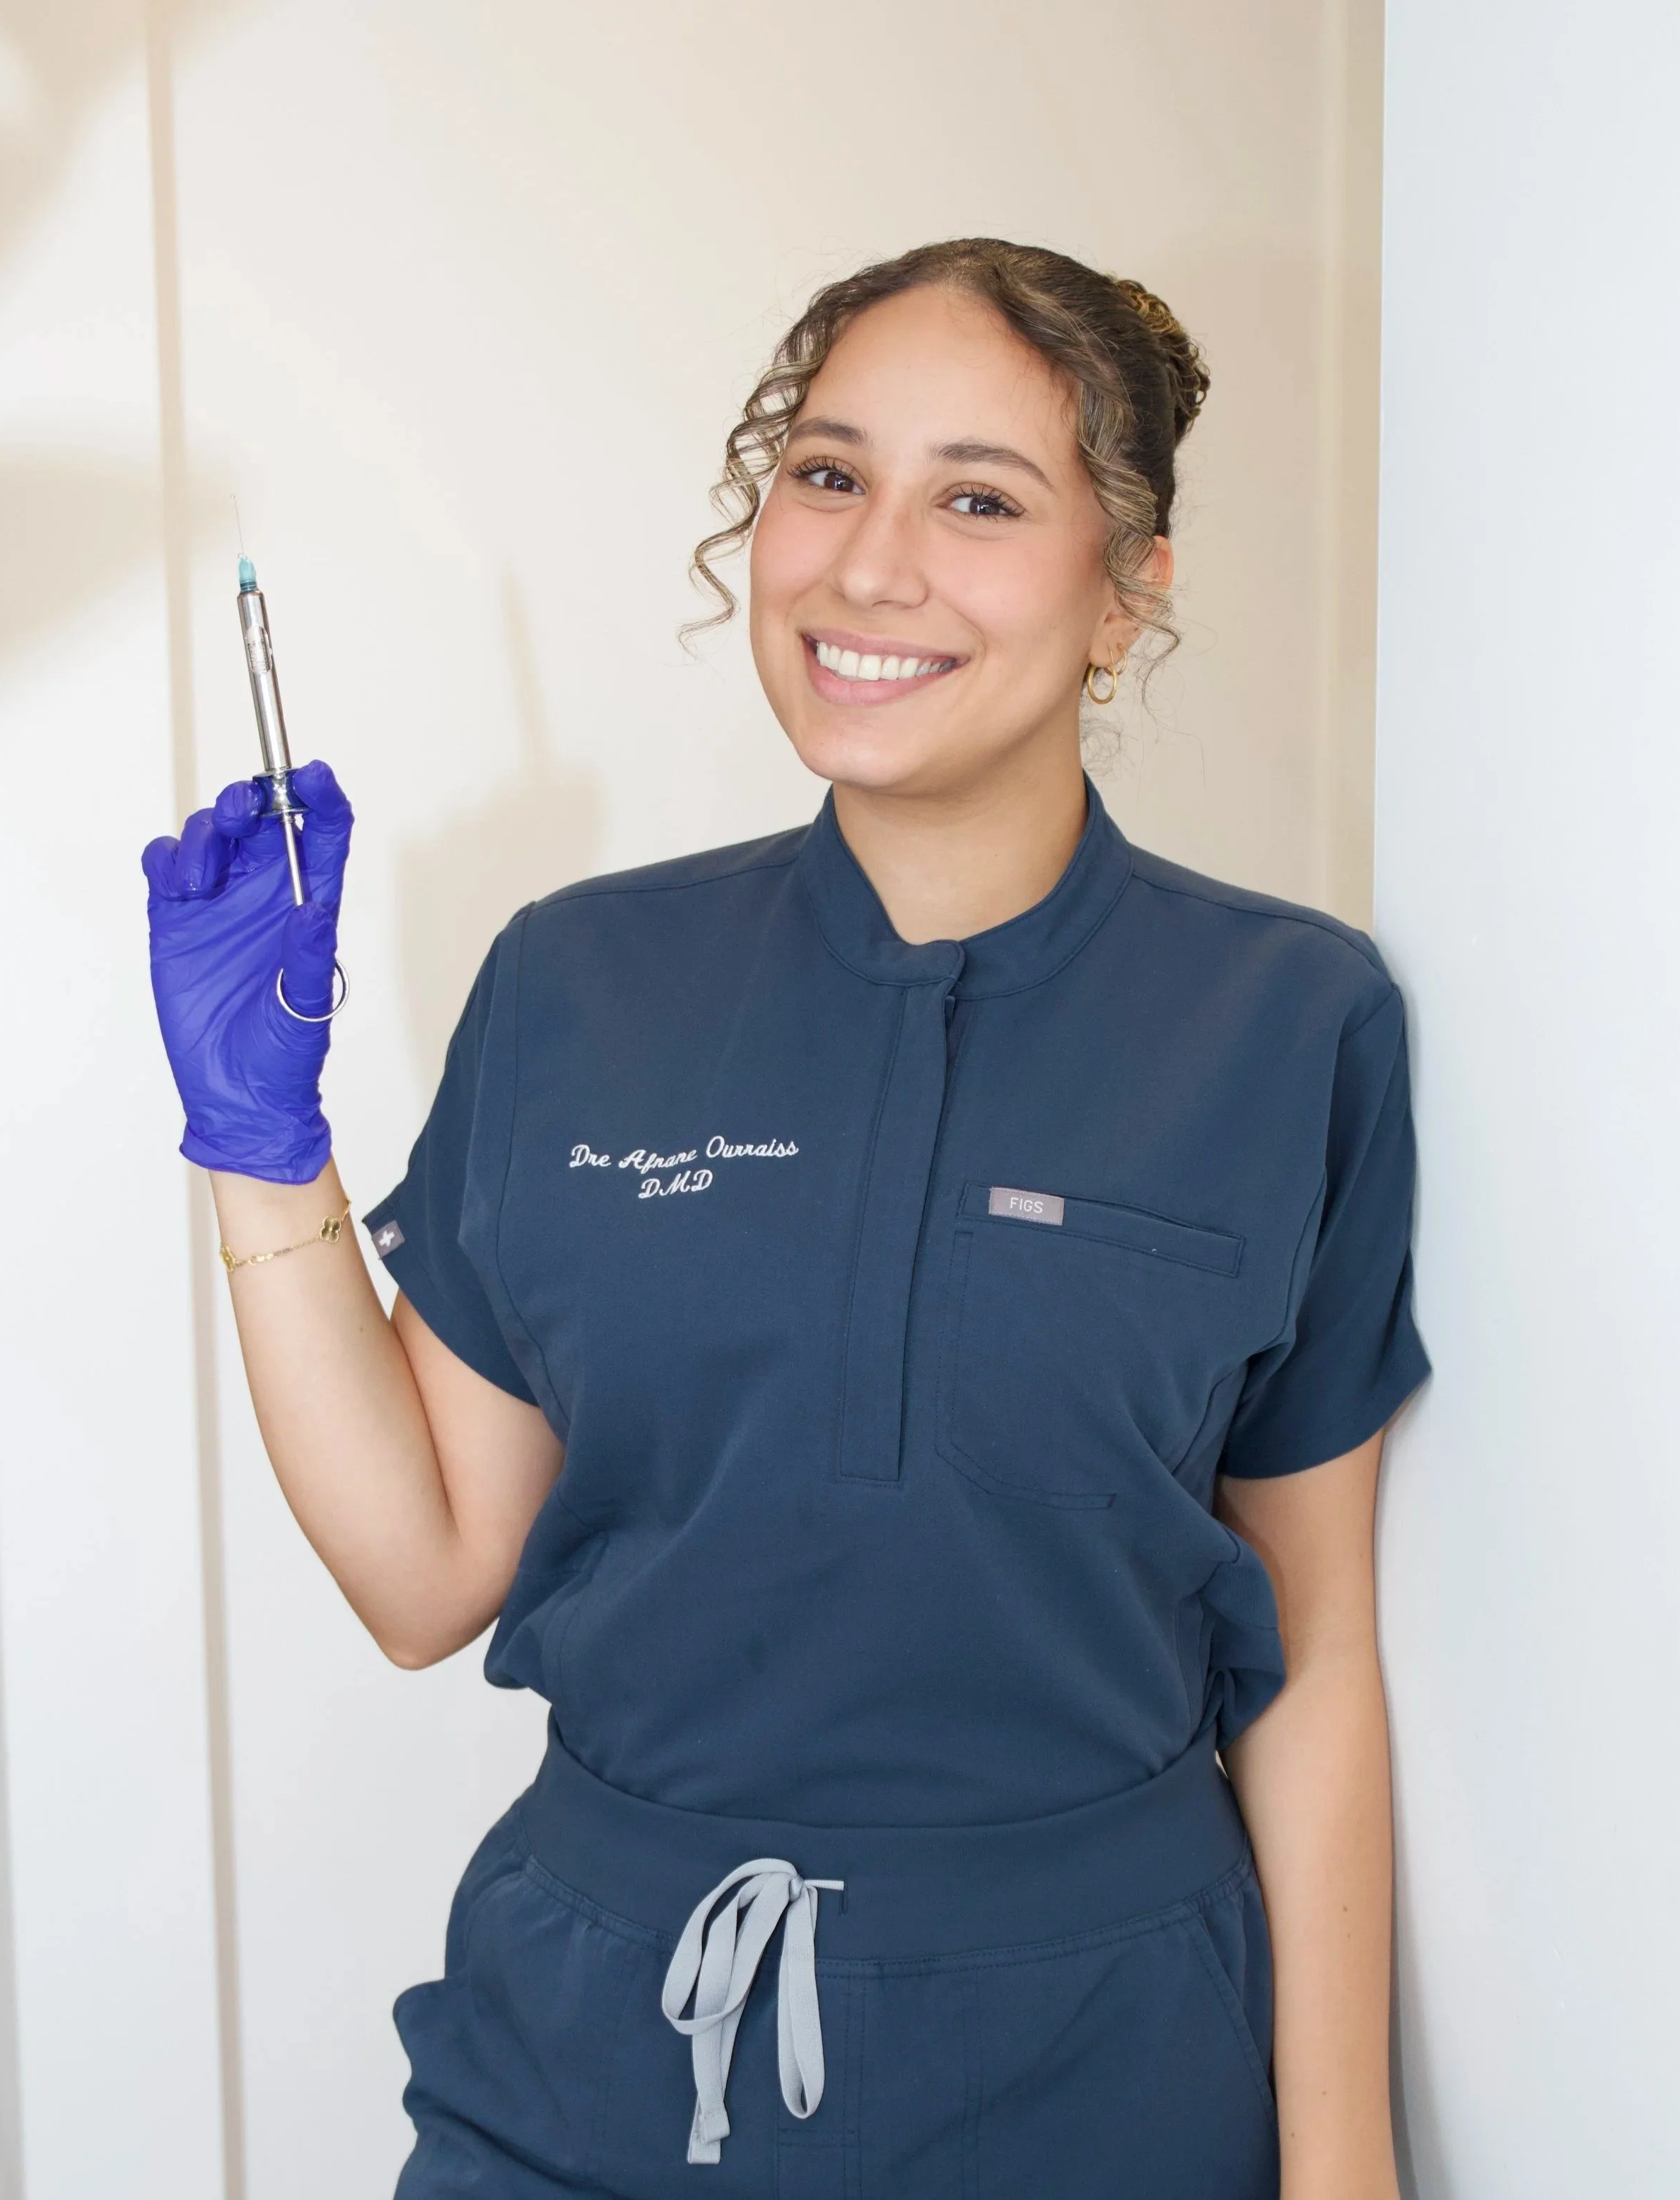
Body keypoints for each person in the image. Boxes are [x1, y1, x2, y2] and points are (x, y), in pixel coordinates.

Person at [144, 238, 1430, 2200]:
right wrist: (256, 1128)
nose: (872, 563)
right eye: (827, 475)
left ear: (1130, 589)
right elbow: (423, 1570)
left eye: (979, 500)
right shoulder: (580, 981)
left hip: (1099, 2074)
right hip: (589, 2069)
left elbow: (1316, 1656)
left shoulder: (1288, 1023)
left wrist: (1344, 2169)